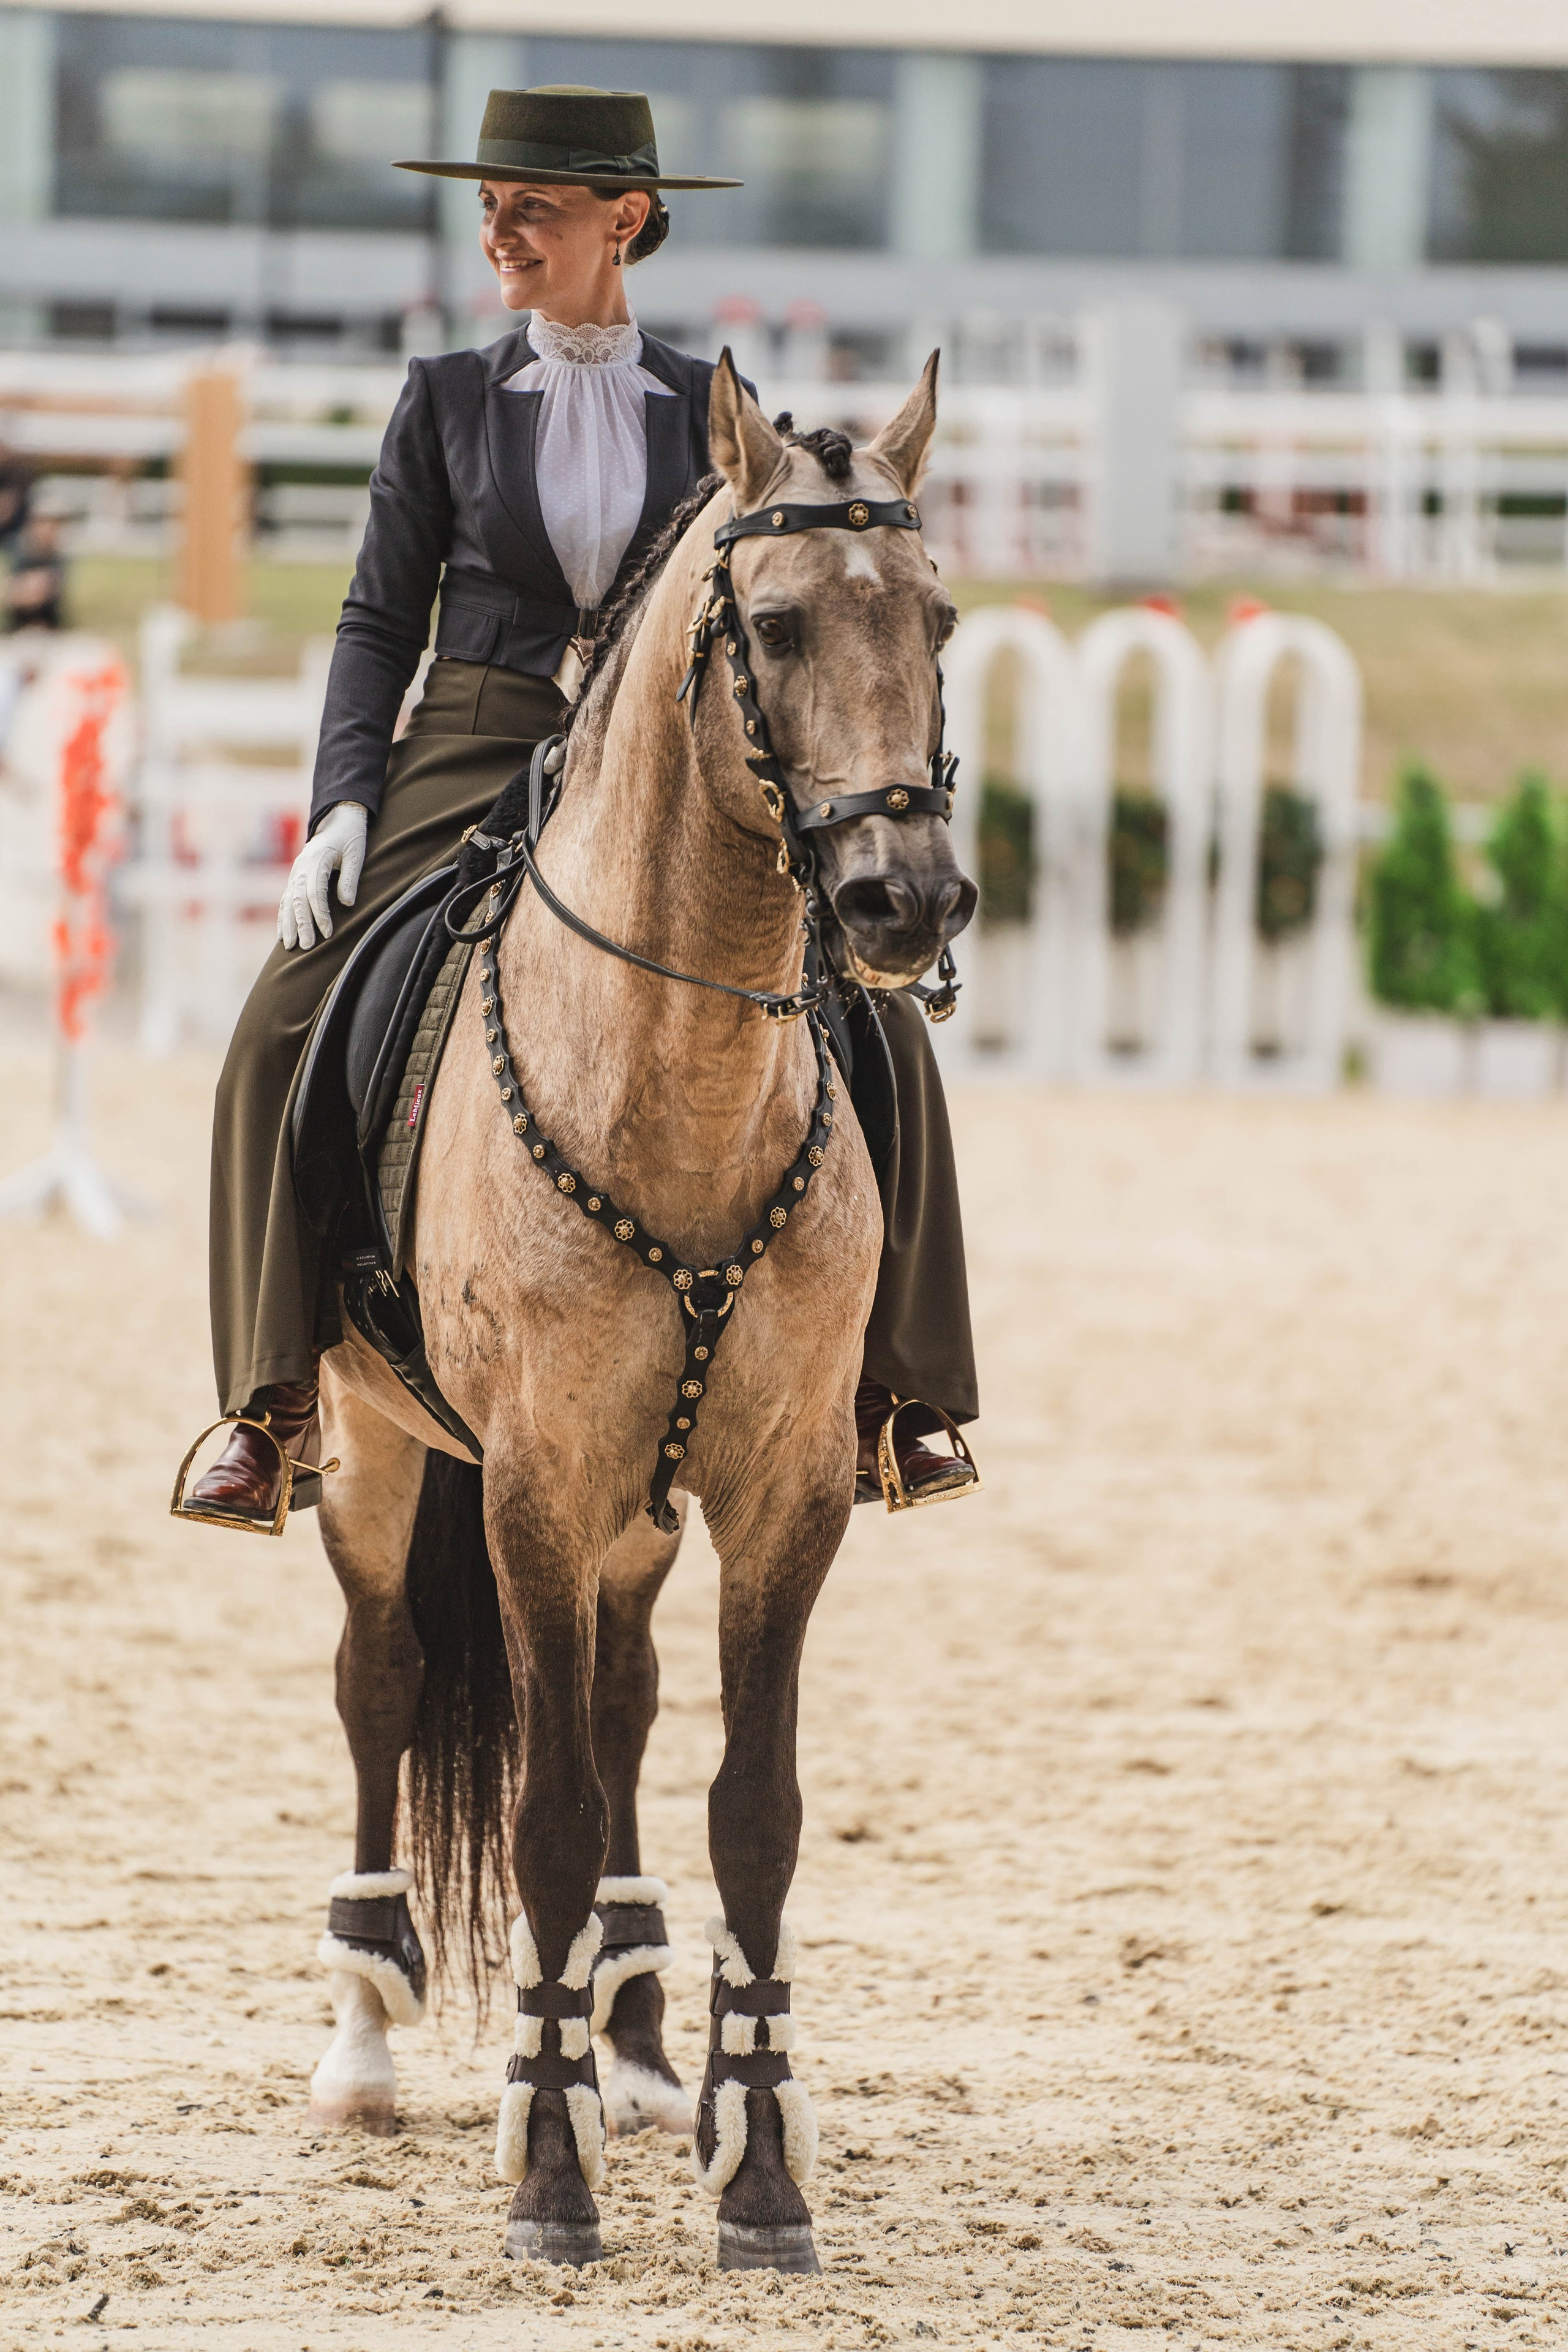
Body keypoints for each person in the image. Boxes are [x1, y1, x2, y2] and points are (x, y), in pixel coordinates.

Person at [181, 85, 978, 1528]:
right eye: (489, 207)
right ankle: (271, 1399)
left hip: (668, 774)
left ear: (623, 221)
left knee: (870, 1024)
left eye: (529, 207)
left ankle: (899, 1394)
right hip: (474, 738)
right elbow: (375, 623)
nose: (500, 230)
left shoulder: (725, 419)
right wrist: (341, 803)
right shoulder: (443, 398)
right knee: (279, 1021)